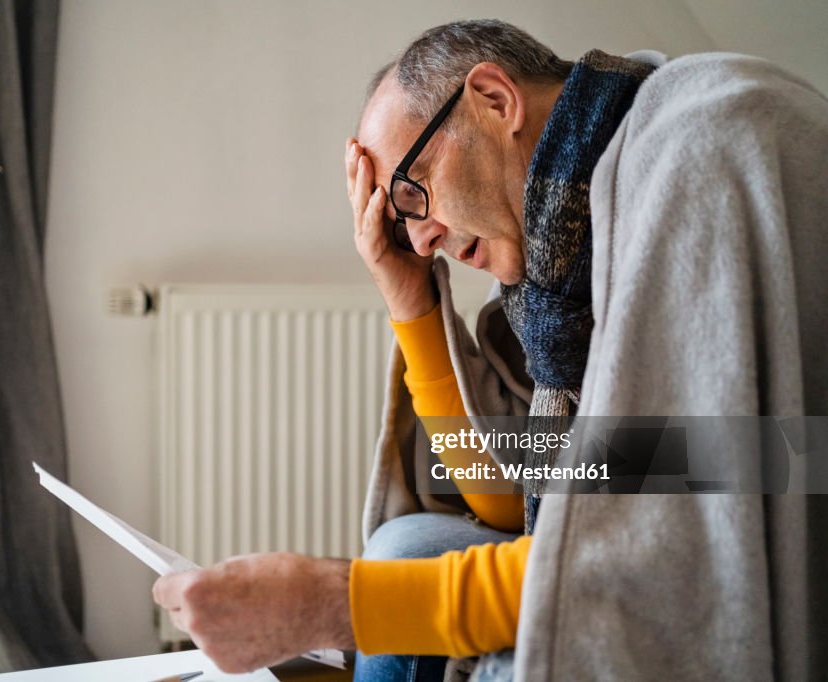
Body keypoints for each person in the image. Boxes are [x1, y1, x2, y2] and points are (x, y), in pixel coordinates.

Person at [154, 19, 828, 681]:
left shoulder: (701, 149)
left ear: (495, 100)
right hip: (700, 523)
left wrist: (334, 604)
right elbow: (517, 502)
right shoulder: (561, 280)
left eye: (411, 194)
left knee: (437, 609)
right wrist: (410, 299)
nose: (417, 241)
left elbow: (675, 545)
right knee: (407, 548)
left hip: (772, 536)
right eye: (397, 221)